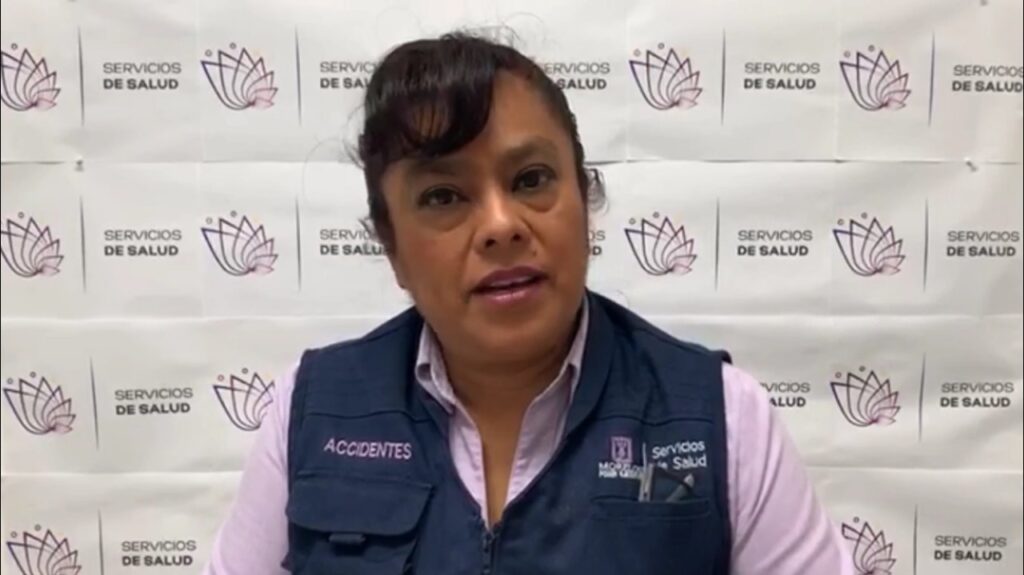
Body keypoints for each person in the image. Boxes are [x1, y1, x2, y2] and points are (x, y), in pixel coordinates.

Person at [203, 32, 854, 574]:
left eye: (531, 179)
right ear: (392, 246)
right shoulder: (311, 410)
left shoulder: (722, 419)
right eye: (443, 196)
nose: (500, 225)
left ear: (585, 201)